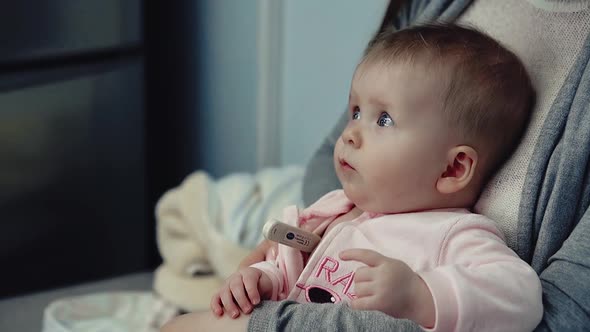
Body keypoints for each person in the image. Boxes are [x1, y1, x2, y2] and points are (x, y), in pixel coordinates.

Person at [163, 0, 590, 330]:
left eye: (383, 119)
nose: (350, 133)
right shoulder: (337, 211)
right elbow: (288, 273)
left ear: (452, 170)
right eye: (355, 112)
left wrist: (423, 295)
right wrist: (257, 279)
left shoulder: (453, 235)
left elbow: (523, 298)